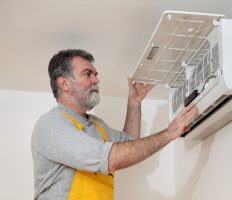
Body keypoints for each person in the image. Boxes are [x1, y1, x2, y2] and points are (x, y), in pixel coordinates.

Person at [31, 49, 198, 200]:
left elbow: (130, 144)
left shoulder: (96, 125)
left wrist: (135, 102)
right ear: (64, 84)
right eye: (87, 74)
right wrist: (169, 133)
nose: (96, 80)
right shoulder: (52, 124)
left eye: (95, 74)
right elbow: (110, 158)